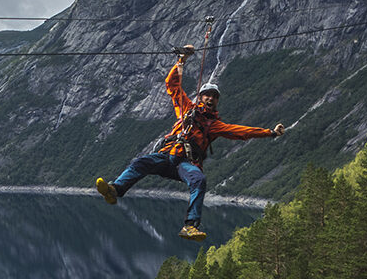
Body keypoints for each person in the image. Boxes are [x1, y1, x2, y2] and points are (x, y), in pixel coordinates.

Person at [96, 45, 285, 240]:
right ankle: (115, 190)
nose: (210, 98)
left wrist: (270, 133)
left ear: (216, 101)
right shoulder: (186, 107)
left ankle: (190, 226)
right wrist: (181, 61)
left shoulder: (214, 124)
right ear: (200, 97)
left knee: (199, 179)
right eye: (207, 95)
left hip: (185, 163)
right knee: (140, 162)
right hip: (165, 156)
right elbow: (172, 84)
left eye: (214, 97)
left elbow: (242, 132)